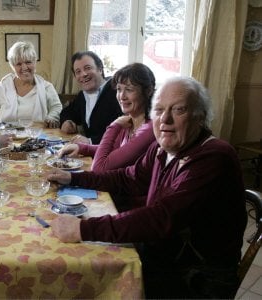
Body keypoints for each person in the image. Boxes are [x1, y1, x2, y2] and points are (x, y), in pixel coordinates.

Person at [47, 76, 247, 299]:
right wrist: (73, 178)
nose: (165, 120)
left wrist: (83, 229)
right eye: (159, 110)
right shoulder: (163, 148)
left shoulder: (214, 156)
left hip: (196, 275)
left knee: (87, 276)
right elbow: (127, 178)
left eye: (178, 110)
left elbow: (161, 217)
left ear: (200, 117)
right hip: (164, 253)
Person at [59, 62, 156, 172]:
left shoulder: (149, 129)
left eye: (129, 89)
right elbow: (113, 151)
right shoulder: (130, 121)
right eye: (119, 89)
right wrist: (81, 148)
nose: (122, 96)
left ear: (148, 91)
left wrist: (115, 125)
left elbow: (99, 168)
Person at [0, 41, 62, 127]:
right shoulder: (1, 87)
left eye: (28, 62)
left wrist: (51, 117)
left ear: (34, 62)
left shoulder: (47, 87)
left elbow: (56, 107)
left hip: (38, 136)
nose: (24, 67)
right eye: (18, 64)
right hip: (7, 137)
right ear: (13, 66)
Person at [59, 51, 122, 144]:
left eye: (87, 68)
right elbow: (67, 112)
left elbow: (122, 131)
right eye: (78, 72)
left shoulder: (117, 92)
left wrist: (90, 141)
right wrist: (67, 122)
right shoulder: (83, 95)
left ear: (100, 69)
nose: (83, 74)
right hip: (90, 154)